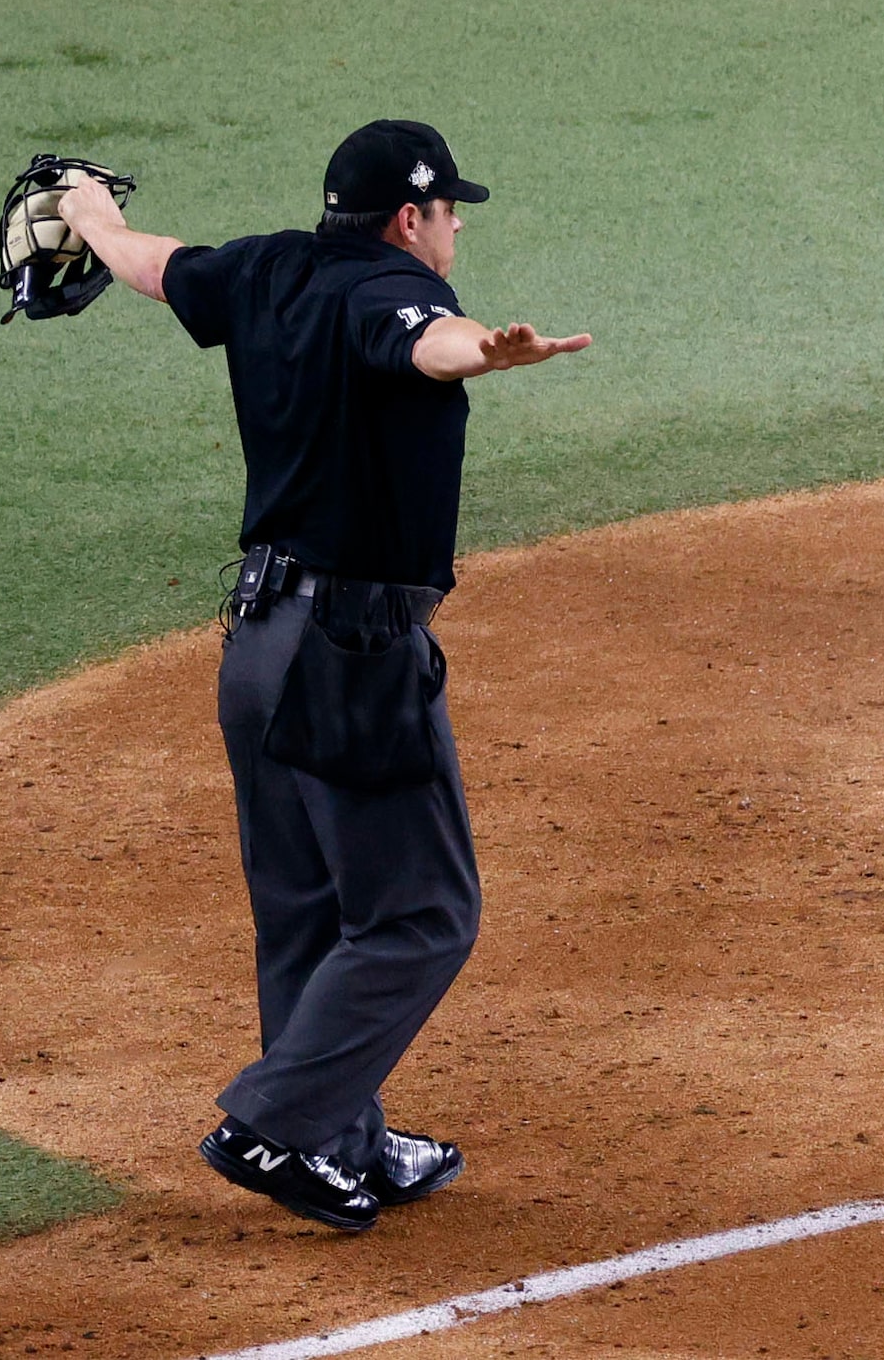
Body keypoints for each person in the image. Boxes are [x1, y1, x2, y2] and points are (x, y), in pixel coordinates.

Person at [56, 119, 590, 1229]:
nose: (452, 233)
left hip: (257, 646)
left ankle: (336, 1142)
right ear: (410, 218)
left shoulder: (263, 267)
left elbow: (154, 264)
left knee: (305, 910)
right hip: (351, 654)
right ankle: (278, 1120)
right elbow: (422, 343)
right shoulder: (389, 297)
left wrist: (87, 216)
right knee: (425, 916)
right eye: (450, 213)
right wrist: (488, 351)